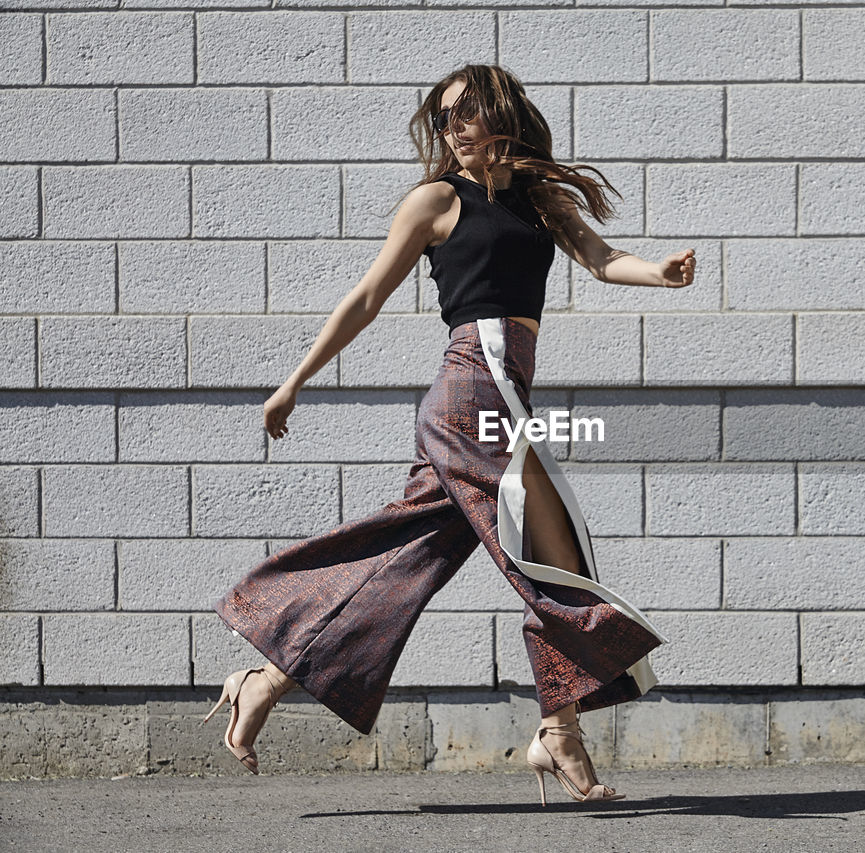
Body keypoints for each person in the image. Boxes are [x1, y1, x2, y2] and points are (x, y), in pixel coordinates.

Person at [201, 63, 697, 804]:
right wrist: (294, 379)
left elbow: (600, 258)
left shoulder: (540, 201)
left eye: (465, 112)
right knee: (551, 549)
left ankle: (265, 678)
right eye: (445, 118)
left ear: (501, 111)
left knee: (412, 552)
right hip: (473, 389)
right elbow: (367, 296)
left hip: (506, 388)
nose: (454, 128)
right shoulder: (437, 200)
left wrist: (659, 272)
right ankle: (561, 733)